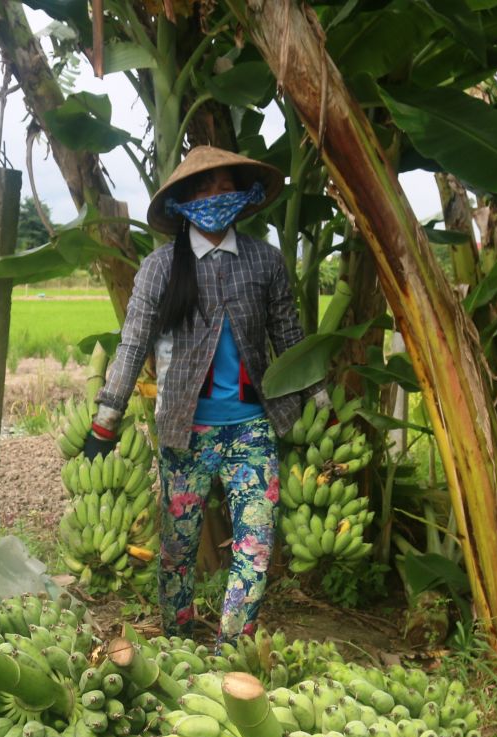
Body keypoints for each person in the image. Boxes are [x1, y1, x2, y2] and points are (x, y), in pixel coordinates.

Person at [82, 145, 325, 645]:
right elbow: (133, 344)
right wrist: (106, 418)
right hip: (184, 431)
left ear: (240, 194)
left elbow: (291, 340)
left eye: (223, 185)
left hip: (252, 428)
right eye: (203, 188)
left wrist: (322, 402)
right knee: (177, 550)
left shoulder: (265, 262)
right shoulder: (159, 268)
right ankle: (177, 639)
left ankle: (230, 649)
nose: (215, 196)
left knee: (256, 547)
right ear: (184, 202)